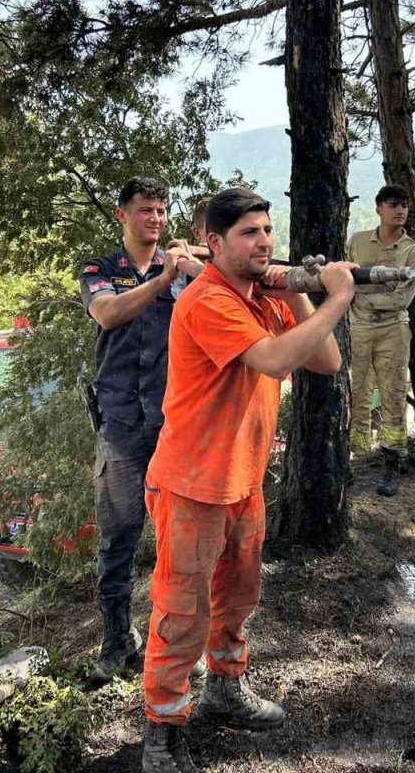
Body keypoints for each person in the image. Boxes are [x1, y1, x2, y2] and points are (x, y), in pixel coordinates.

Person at [140, 188, 356, 773]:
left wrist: (303, 292)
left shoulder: (264, 294)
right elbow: (275, 362)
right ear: (215, 243)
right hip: (190, 483)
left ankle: (224, 689)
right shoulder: (210, 300)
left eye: (266, 230)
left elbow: (326, 362)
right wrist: (338, 297)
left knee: (236, 597)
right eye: (248, 233)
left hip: (242, 479)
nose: (264, 241)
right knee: (182, 610)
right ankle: (162, 727)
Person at [80, 177, 204, 685]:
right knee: (118, 539)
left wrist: (194, 267)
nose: (154, 218)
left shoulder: (183, 265)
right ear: (122, 215)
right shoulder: (101, 270)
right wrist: (162, 280)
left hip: (175, 423)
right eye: (144, 210)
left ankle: (178, 645)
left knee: (184, 540)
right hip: (122, 425)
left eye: (160, 209)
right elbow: (108, 313)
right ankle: (116, 645)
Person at [346, 185, 415, 497]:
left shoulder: (413, 251)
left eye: (404, 204)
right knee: (358, 393)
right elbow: (345, 280)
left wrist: (364, 298)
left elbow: (402, 299)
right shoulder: (357, 241)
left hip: (393, 330)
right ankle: (351, 459)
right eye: (393, 204)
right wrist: (365, 295)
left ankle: (392, 462)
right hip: (360, 330)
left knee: (393, 394)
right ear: (379, 208)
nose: (400, 210)